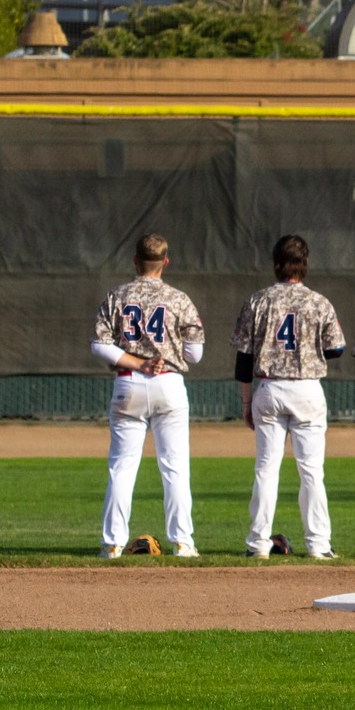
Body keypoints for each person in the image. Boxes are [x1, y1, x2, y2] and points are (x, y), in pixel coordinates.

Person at [92, 234, 206, 558]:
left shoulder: (118, 295)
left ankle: (112, 544)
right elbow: (195, 353)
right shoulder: (179, 298)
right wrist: (165, 351)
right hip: (168, 383)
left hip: (128, 382)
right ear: (166, 262)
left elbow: (99, 345)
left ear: (134, 260)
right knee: (175, 468)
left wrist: (138, 362)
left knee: (122, 468)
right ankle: (183, 543)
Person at [233, 234, 345, 559]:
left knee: (266, 469)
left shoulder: (258, 300)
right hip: (307, 389)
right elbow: (336, 348)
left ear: (276, 264)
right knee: (311, 471)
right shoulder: (319, 302)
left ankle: (258, 544)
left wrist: (245, 402)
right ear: (304, 265)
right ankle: (318, 546)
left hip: (268, 388)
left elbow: (243, 357)